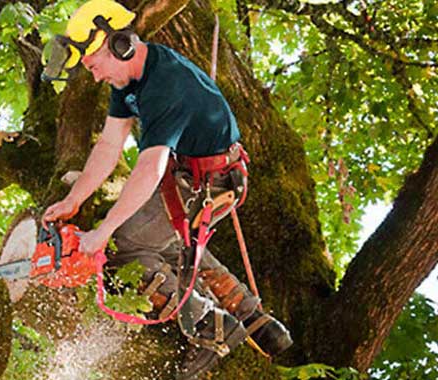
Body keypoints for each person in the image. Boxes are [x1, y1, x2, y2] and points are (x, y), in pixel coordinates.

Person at [39, 0, 293, 378]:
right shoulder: (131, 81)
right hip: (190, 176)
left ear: (119, 45)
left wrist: (102, 232)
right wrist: (73, 200)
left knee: (125, 247)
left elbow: (149, 167)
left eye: (94, 67)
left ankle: (214, 331)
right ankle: (250, 315)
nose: (94, 77)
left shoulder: (165, 85)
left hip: (211, 181)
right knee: (166, 242)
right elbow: (109, 146)